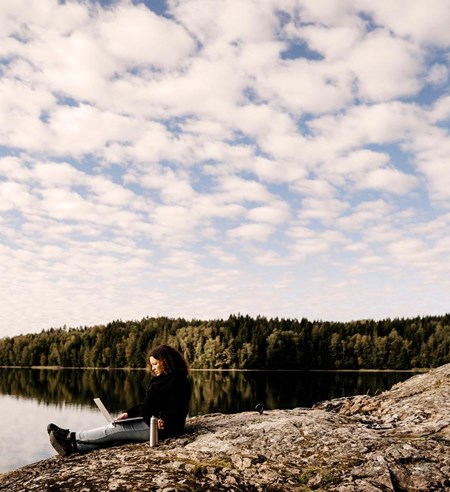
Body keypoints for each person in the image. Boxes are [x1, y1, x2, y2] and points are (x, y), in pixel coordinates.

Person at [47, 344, 191, 456]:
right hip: (148, 421)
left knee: (115, 429)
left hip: (163, 428)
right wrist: (128, 414)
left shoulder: (179, 381)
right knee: (116, 435)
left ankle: (70, 437)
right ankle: (74, 447)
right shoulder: (158, 380)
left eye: (155, 364)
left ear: (166, 361)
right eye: (151, 364)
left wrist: (165, 419)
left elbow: (180, 408)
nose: (152, 368)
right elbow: (147, 406)